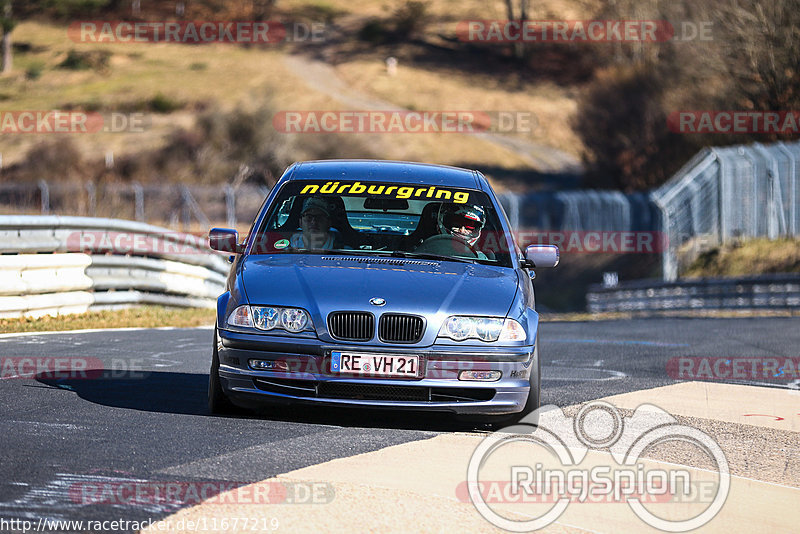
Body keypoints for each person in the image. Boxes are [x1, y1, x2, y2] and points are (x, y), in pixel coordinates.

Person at [414, 203, 491, 259]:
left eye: (469, 227)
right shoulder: (415, 251)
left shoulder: (483, 260)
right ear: (442, 220)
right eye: (456, 224)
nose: (462, 230)